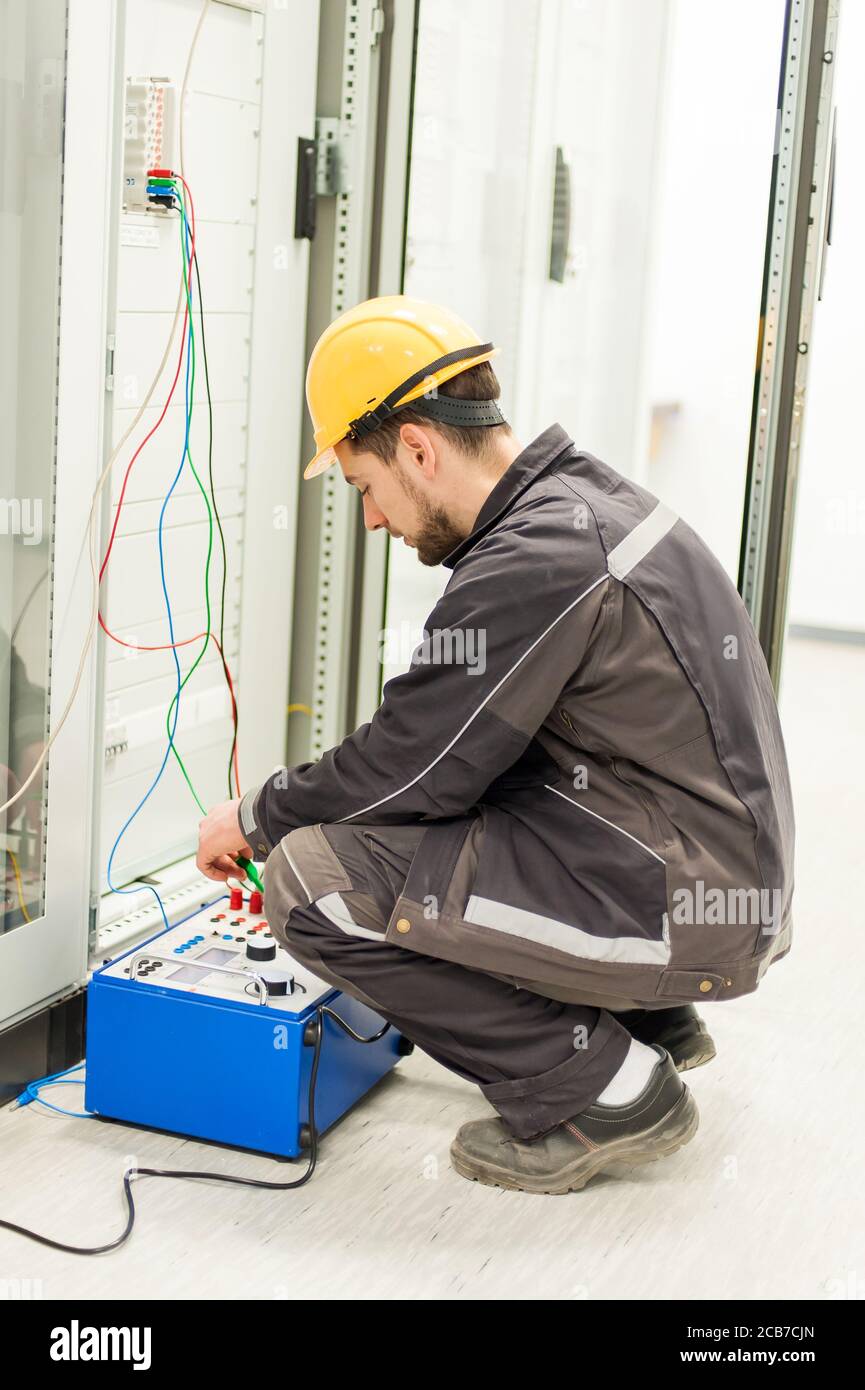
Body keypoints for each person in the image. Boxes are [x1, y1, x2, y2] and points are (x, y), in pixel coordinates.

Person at [197, 295, 794, 1194]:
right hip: (697, 867)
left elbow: (409, 765)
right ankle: (642, 1019)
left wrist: (255, 816)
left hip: (686, 895)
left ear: (418, 449)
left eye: (364, 486)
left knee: (315, 882)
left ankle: (610, 1091)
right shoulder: (579, 500)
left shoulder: (537, 554)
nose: (371, 520)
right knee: (468, 792)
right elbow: (452, 749)